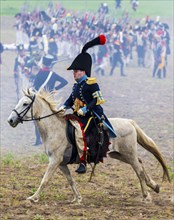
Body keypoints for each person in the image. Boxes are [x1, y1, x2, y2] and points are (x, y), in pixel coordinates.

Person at [59, 35, 116, 174]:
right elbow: (71, 99)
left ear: (83, 71)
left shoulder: (92, 83)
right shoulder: (76, 86)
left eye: (76, 71)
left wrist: (85, 109)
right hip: (78, 114)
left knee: (80, 134)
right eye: (73, 72)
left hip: (92, 114)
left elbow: (98, 100)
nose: (74, 74)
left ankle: (83, 161)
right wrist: (63, 107)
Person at [33, 54, 68, 145]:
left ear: (43, 64)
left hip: (39, 99)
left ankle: (38, 140)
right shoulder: (53, 75)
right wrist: (55, 89)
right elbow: (65, 82)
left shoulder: (40, 73)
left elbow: (34, 86)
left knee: (36, 119)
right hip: (50, 99)